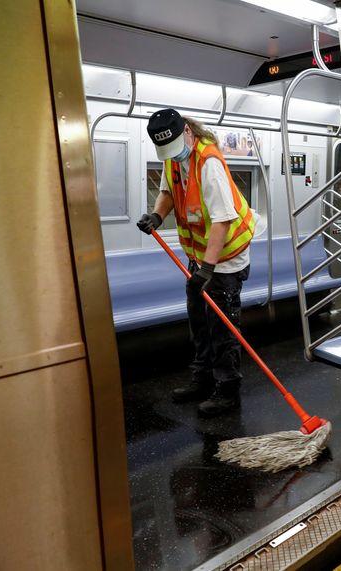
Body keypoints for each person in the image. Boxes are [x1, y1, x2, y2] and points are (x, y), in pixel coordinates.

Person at [137, 109, 255, 417]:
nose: (174, 155)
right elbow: (167, 193)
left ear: (188, 131)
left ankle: (228, 391)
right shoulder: (172, 158)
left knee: (222, 327)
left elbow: (222, 221)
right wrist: (157, 216)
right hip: (200, 258)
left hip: (226, 258)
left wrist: (208, 269)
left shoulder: (209, 163)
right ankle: (202, 380)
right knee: (199, 321)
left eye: (177, 146)